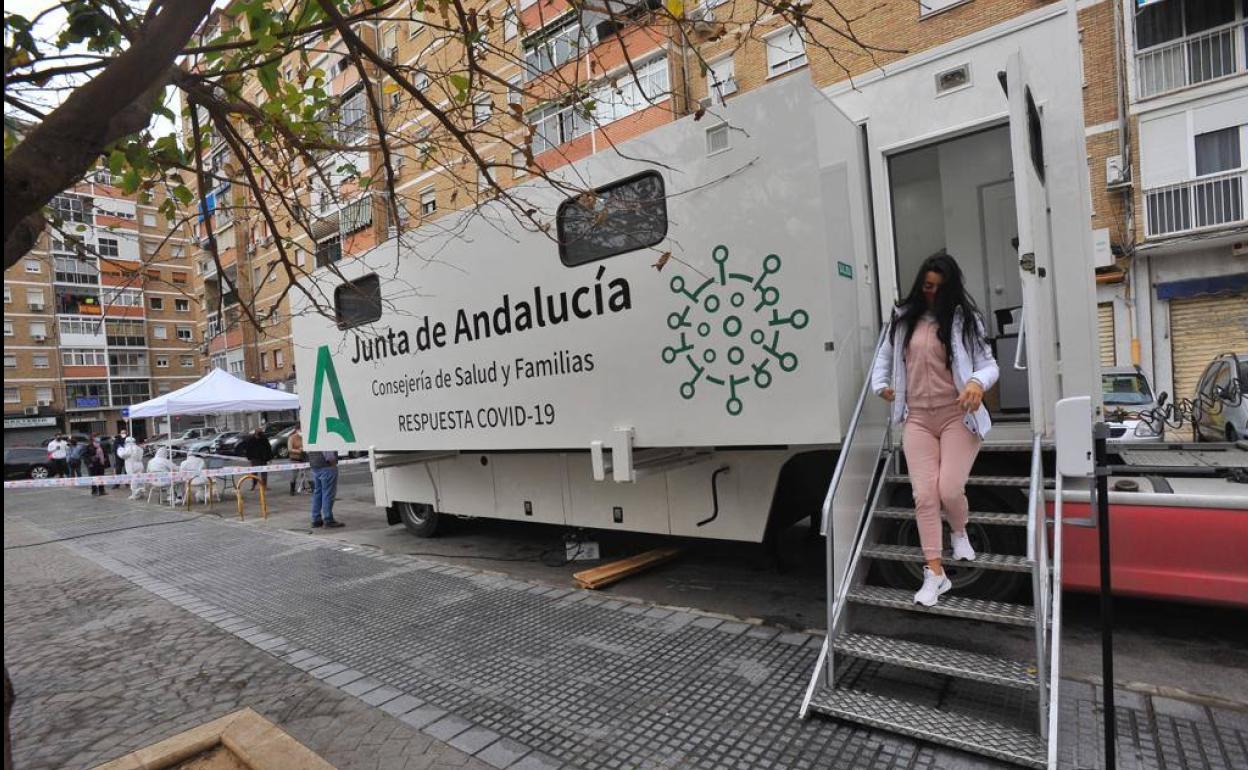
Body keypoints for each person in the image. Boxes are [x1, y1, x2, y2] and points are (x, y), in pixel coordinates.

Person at [871, 253, 999, 607]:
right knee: (924, 496)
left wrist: (976, 381)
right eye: (927, 286)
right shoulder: (902, 321)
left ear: (951, 288)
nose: (931, 293)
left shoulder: (964, 319)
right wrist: (881, 386)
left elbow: (988, 364)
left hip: (958, 414)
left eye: (939, 288)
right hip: (917, 418)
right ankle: (935, 573)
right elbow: (883, 360)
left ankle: (959, 531)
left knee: (949, 489)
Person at [308, 450, 343, 529]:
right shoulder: (324, 437)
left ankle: (316, 519)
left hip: (315, 465)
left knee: (317, 493)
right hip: (326, 466)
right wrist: (333, 462)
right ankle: (328, 519)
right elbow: (327, 451)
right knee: (328, 493)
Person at [287, 427, 306, 496]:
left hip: (304, 458)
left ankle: (309, 488)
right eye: (300, 430)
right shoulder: (291, 438)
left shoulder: (305, 437)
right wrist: (299, 451)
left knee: (307, 473)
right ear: (297, 430)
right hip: (294, 458)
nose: (301, 431)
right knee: (294, 475)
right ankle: (292, 490)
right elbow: (290, 449)